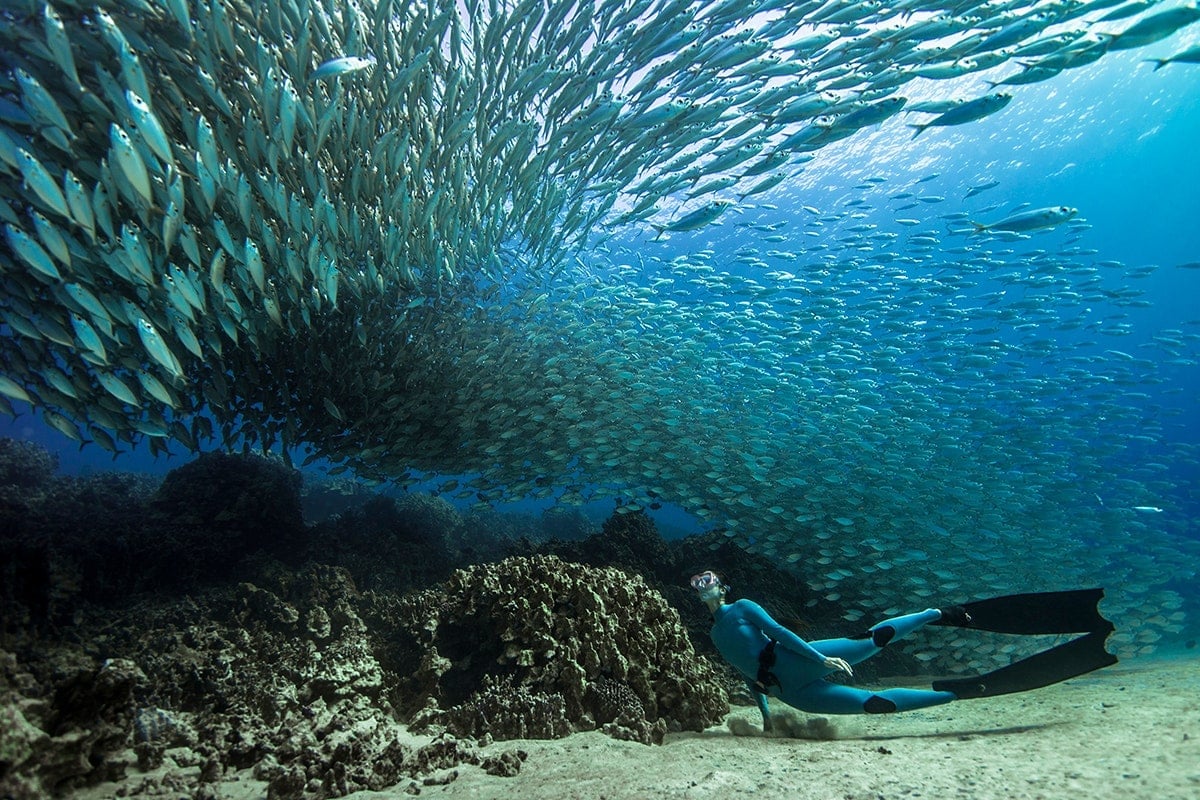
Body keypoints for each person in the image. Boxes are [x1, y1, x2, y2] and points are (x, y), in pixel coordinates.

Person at [689, 570, 1117, 731]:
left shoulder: (743, 607)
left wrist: (818, 658)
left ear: (722, 586)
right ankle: (961, 690)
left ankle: (935, 613)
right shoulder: (713, 636)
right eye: (698, 584)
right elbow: (749, 673)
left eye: (708, 579)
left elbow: (779, 632)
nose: (703, 586)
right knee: (876, 706)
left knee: (868, 642)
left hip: (797, 657)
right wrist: (766, 717)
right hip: (792, 692)